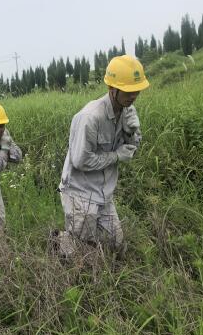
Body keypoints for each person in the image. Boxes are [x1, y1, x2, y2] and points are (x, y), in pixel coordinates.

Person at [56, 55, 150, 258]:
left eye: (137, 90)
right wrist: (115, 156)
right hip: (80, 191)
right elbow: (80, 160)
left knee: (115, 243)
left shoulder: (126, 110)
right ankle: (60, 242)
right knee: (84, 250)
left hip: (104, 192)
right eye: (128, 91)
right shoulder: (90, 117)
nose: (133, 95)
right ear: (112, 89)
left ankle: (70, 243)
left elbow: (131, 149)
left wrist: (132, 132)